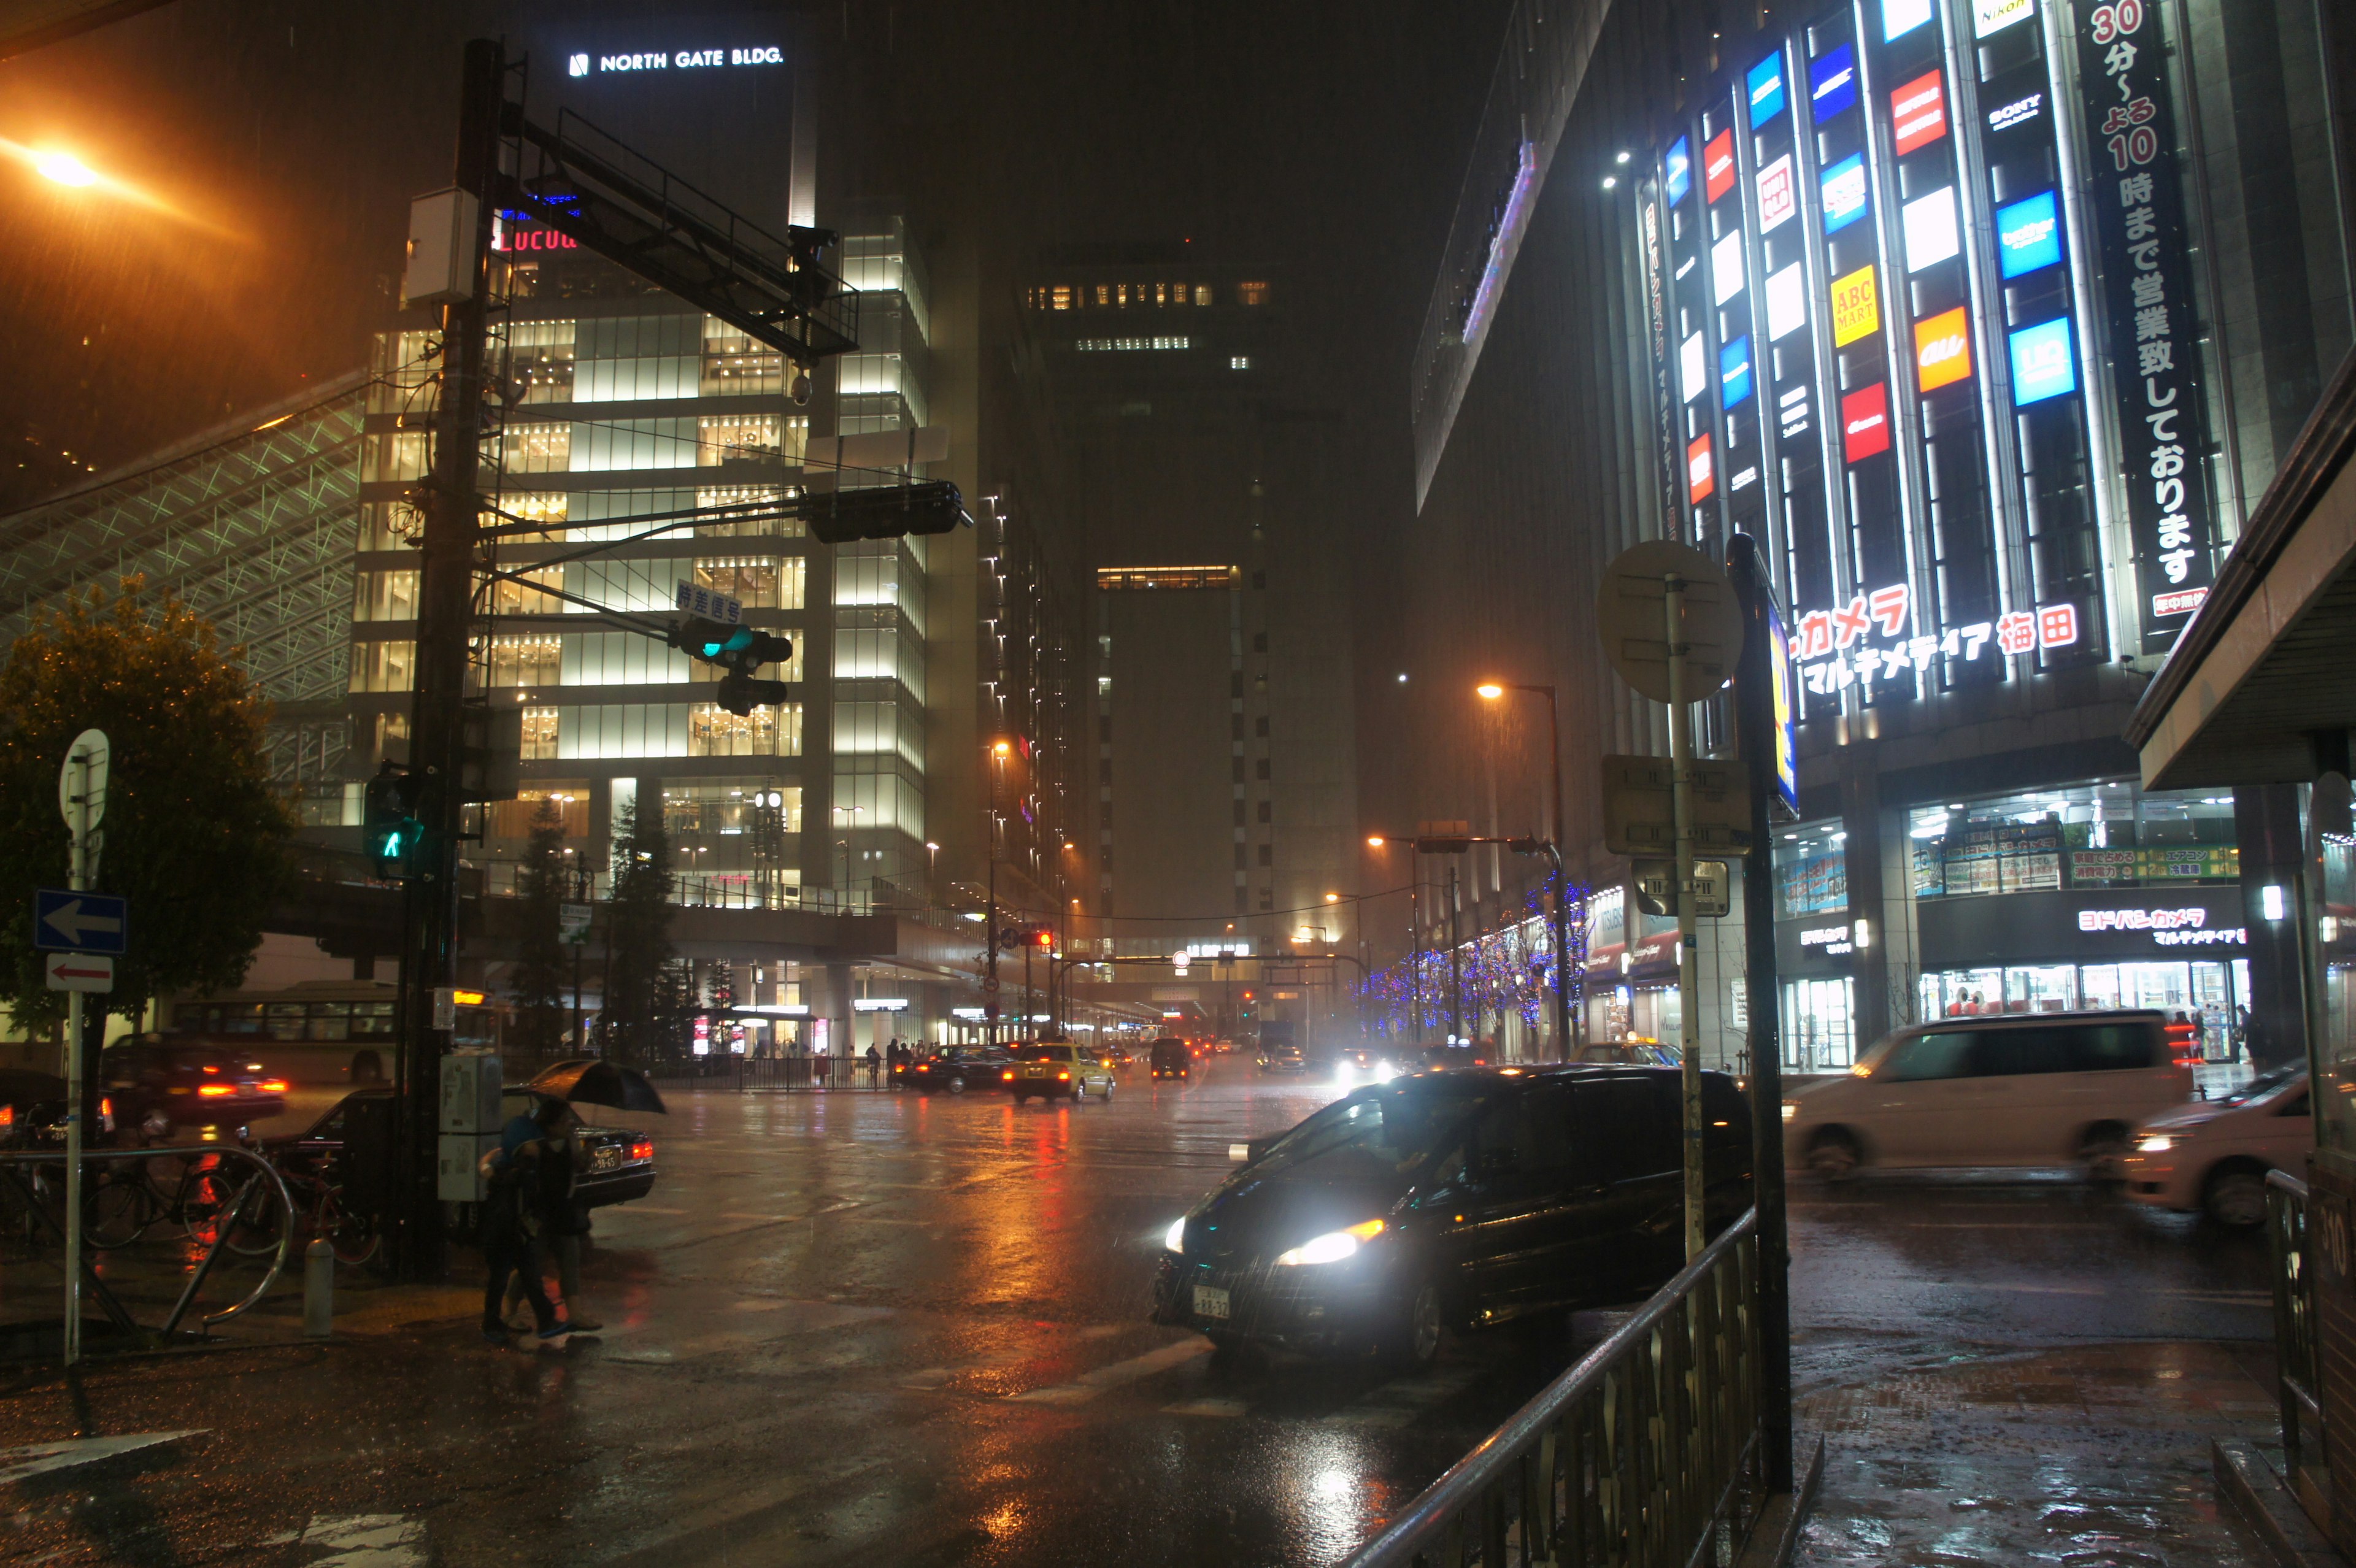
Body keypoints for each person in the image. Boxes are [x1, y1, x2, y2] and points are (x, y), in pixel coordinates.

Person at [502, 1096, 599, 1332]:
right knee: (530, 1265)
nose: (570, 1124)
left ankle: (575, 1315)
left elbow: (577, 1167)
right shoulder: (534, 1146)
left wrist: (588, 1156)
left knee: (570, 1262)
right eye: (565, 1120)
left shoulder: (571, 1143)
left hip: (565, 1213)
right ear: (552, 1124)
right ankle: (507, 1313)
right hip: (540, 1215)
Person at [480, 1099, 568, 1348]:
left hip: (520, 1233)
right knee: (500, 1280)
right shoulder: (509, 1173)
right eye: (531, 1144)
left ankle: (546, 1319)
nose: (536, 1148)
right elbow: (500, 1190)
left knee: (531, 1276)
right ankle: (492, 1323)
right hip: (504, 1234)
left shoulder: (527, 1169)